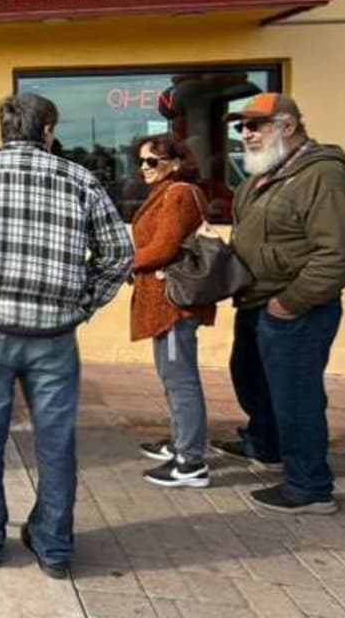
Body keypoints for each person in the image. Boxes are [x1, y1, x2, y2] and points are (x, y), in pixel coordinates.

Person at [0, 93, 133, 579]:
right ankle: (54, 544)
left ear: (3, 128)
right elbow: (119, 254)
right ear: (48, 129)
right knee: (56, 440)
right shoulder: (80, 180)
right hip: (54, 331)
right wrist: (84, 304)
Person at [218, 93, 345, 515]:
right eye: (240, 127)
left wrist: (289, 303)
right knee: (252, 381)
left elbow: (342, 254)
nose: (245, 134)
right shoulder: (261, 178)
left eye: (254, 125)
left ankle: (310, 486)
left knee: (296, 397)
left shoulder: (323, 176)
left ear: (287, 126)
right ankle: (265, 444)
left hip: (296, 308)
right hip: (255, 301)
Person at [129, 134, 217, 489]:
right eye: (142, 162)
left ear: (177, 162)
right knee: (172, 376)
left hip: (173, 303)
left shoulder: (178, 192)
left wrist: (125, 263)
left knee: (180, 380)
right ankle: (180, 441)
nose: (144, 168)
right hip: (165, 301)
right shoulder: (167, 191)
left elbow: (164, 247)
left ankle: (190, 461)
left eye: (153, 161)